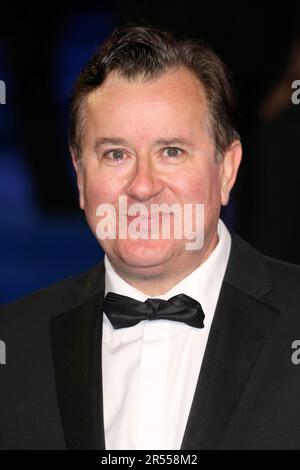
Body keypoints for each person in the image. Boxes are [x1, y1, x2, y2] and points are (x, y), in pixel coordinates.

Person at [1, 24, 300, 451]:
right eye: (116, 154)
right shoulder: (12, 345)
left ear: (227, 169)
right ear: (80, 176)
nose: (142, 186)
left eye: (171, 151)